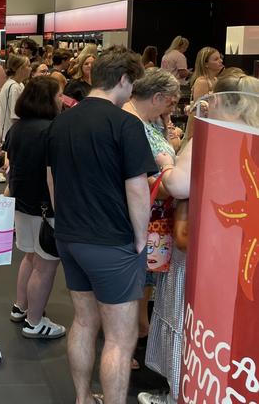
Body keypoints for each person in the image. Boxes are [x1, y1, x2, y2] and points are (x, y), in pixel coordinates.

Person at [139, 73, 259, 404]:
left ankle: (181, 392)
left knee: (186, 319)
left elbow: (179, 185)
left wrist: (165, 165)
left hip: (198, 246)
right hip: (237, 254)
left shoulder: (213, 138)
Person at [46, 46, 156, 404]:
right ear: (123, 79)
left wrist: (63, 217)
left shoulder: (61, 121)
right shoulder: (126, 124)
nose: (131, 91)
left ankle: (82, 398)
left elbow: (52, 178)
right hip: (111, 242)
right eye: (132, 83)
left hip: (70, 236)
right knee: (120, 341)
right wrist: (141, 239)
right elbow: (137, 188)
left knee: (83, 321)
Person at [121, 68, 181, 367]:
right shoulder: (132, 124)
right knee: (134, 281)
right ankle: (126, 341)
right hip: (141, 215)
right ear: (156, 97)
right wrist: (167, 178)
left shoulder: (149, 122)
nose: (173, 109)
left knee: (143, 280)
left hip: (153, 215)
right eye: (170, 102)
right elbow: (135, 178)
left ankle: (135, 333)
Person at [4, 77, 66, 339]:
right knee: (45, 265)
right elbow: (53, 176)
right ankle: (35, 320)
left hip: (22, 203)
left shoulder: (16, 129)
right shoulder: (53, 130)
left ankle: (21, 307)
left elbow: (10, 168)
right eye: (59, 94)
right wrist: (59, 210)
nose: (62, 99)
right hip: (45, 207)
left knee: (29, 257)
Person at [0, 54, 30, 143]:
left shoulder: (20, 85)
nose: (30, 69)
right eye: (28, 66)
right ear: (20, 69)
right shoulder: (13, 87)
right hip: (7, 137)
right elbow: (15, 117)